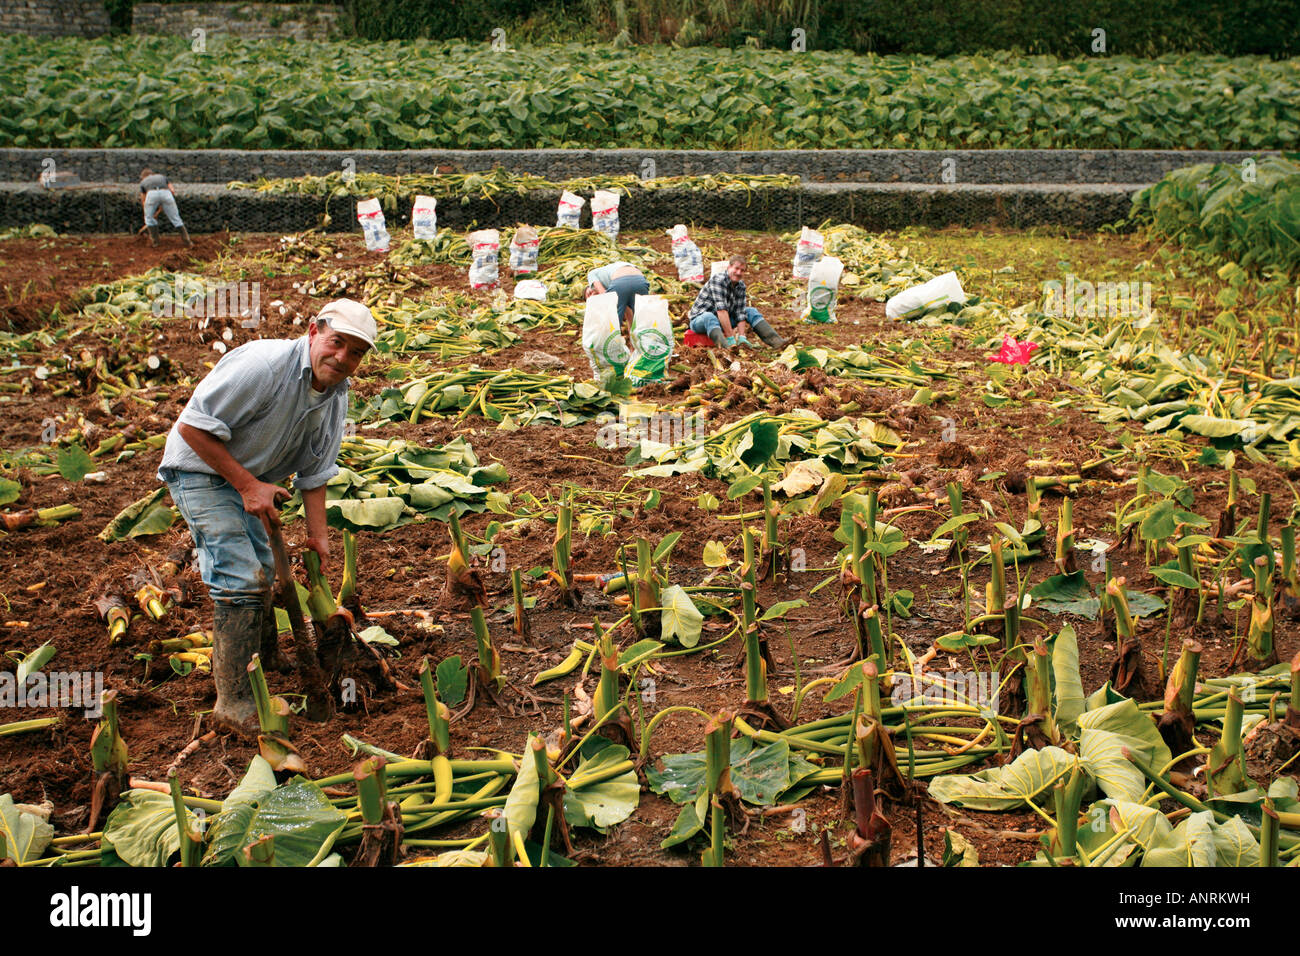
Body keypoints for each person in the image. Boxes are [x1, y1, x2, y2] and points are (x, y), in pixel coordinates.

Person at [157, 299, 376, 737]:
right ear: (314, 332)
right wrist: (247, 486)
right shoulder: (264, 366)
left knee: (265, 573)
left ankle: (268, 657)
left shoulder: (336, 394)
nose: (343, 358)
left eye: (356, 352)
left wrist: (319, 537)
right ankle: (232, 701)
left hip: (253, 479)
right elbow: (191, 427)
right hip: (202, 471)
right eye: (337, 343)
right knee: (240, 578)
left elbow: (316, 471)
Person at [686, 255, 785, 350]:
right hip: (700, 321)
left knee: (751, 311)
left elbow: (740, 312)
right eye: (736, 268)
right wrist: (730, 338)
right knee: (709, 317)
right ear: (729, 267)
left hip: (721, 320)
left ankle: (777, 342)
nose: (738, 272)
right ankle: (726, 347)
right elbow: (721, 311)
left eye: (742, 270)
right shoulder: (718, 280)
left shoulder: (741, 285)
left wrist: (742, 336)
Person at [585, 261, 648, 334]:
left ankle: (610, 344)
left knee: (612, 323)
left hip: (620, 282)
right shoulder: (609, 271)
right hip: (640, 281)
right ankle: (639, 344)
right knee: (641, 321)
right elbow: (629, 315)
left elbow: (604, 294)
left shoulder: (591, 274)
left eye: (589, 295)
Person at [139, 167, 192, 247]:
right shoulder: (162, 177)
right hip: (166, 193)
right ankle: (188, 241)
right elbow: (172, 190)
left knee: (149, 219)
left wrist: (148, 214)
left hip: (151, 194)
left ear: (144, 176)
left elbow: (144, 200)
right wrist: (165, 203)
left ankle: (155, 243)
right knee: (176, 218)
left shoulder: (143, 182)